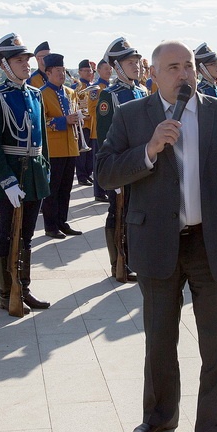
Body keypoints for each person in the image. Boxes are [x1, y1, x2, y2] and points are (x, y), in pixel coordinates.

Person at [95, 40, 217, 432]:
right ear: (152, 74)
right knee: (159, 337)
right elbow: (105, 171)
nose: (184, 73)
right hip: (156, 243)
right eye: (173, 67)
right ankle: (159, 414)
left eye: (188, 65)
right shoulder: (132, 115)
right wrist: (148, 151)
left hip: (212, 243)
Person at [0, 34, 52, 314]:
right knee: (7, 234)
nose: (25, 65)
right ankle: (5, 292)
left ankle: (24, 287)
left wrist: (44, 169)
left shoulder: (34, 94)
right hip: (11, 175)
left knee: (27, 237)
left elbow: (41, 139)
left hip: (33, 173)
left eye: (26, 60)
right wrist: (6, 180)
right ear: (4, 64)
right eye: (18, 60)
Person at [95, 37, 147, 282]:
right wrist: (113, 173)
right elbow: (105, 138)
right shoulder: (109, 96)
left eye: (136, 60)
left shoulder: (142, 91)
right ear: (117, 67)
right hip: (122, 165)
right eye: (129, 61)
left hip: (142, 163)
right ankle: (118, 261)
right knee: (117, 213)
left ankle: (134, 257)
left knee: (137, 212)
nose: (135, 65)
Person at [40, 53, 82, 239]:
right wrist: (64, 120)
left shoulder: (70, 92)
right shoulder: (41, 93)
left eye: (63, 71)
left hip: (71, 146)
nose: (62, 74)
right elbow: (42, 122)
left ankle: (62, 221)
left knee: (66, 189)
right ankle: (50, 225)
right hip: (54, 149)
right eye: (58, 71)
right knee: (53, 189)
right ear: (48, 73)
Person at [90, 57, 113, 202]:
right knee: (100, 162)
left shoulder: (111, 87)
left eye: (110, 68)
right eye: (106, 69)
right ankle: (99, 192)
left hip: (111, 131)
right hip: (98, 130)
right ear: (98, 71)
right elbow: (92, 110)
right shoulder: (95, 89)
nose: (109, 71)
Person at [74, 59, 95, 186]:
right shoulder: (77, 87)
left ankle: (87, 174)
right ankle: (82, 176)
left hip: (92, 123)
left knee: (90, 153)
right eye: (85, 71)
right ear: (80, 72)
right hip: (82, 124)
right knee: (82, 154)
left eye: (90, 70)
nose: (88, 73)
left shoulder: (93, 86)